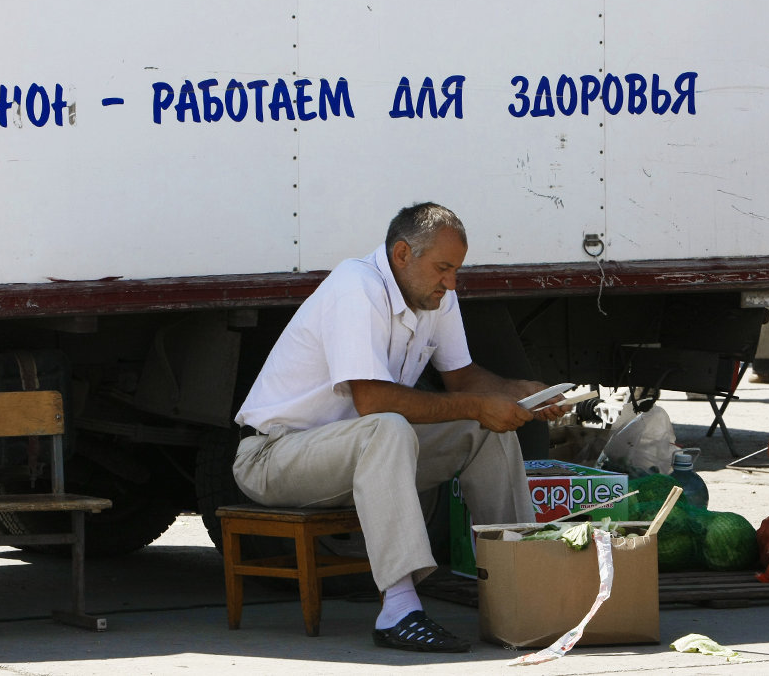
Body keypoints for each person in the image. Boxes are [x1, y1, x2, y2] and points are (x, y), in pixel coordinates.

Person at [232, 202, 565, 653]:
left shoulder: (431, 294)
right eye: (444, 268)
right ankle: (399, 610)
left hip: (362, 455)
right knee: (388, 426)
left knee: (485, 430)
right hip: (273, 458)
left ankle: (523, 588)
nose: (451, 282)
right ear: (403, 254)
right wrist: (478, 404)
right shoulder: (356, 286)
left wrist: (518, 392)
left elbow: (463, 377)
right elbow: (371, 401)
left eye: (457, 271)